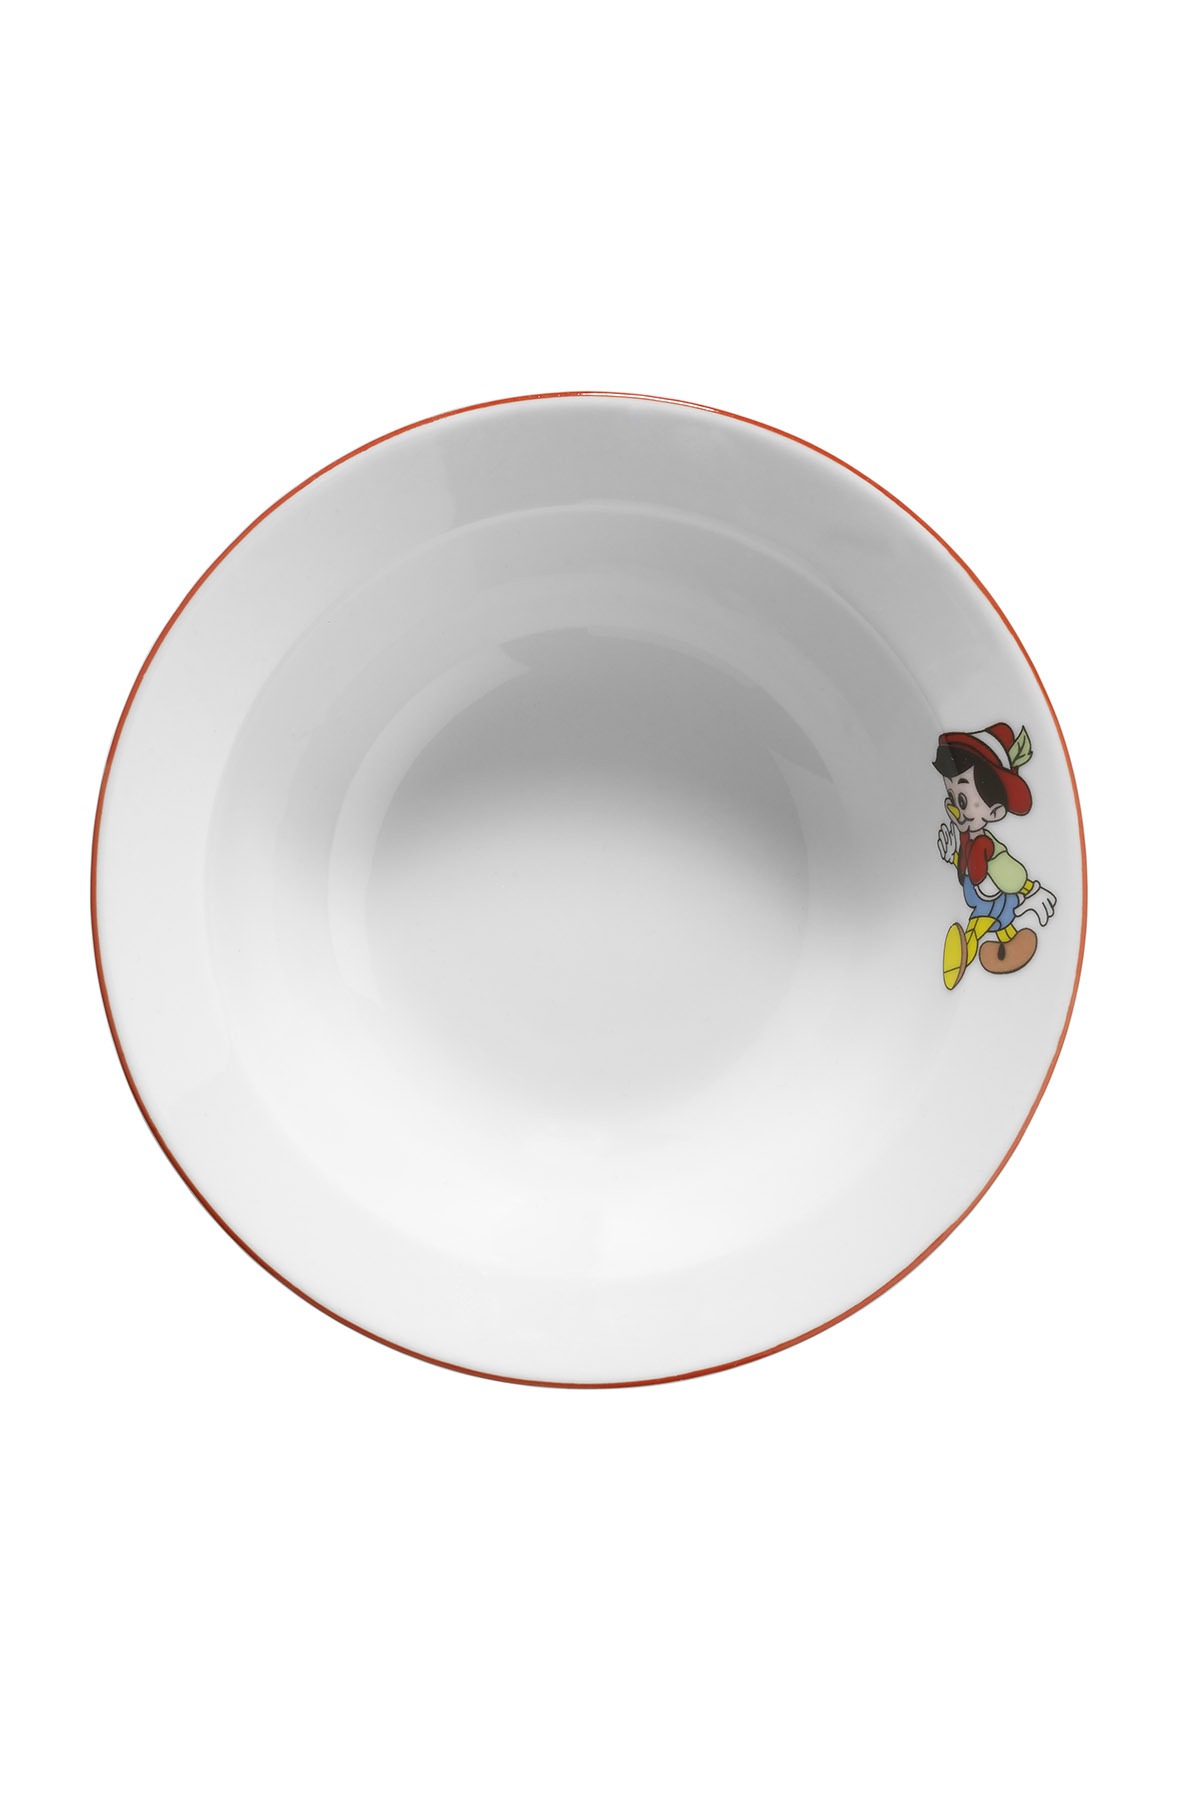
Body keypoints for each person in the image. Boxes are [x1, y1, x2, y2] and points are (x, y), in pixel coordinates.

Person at [933, 722, 1056, 989]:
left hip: (991, 903)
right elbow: (968, 869)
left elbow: (1011, 876)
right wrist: (952, 857)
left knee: (980, 927)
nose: (954, 808)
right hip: (983, 900)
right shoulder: (968, 840)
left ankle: (964, 958)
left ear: (996, 812)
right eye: (951, 796)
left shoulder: (988, 847)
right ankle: (1006, 946)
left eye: (962, 800)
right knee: (997, 924)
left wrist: (1032, 890)